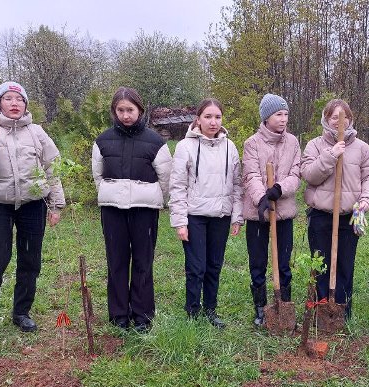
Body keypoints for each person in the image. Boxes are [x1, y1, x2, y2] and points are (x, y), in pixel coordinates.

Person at [0, 81, 65, 345]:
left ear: (26, 104)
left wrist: (56, 205)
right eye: (8, 99)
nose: (14, 103)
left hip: (32, 204)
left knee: (30, 261)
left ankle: (21, 312)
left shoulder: (37, 132)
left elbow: (53, 168)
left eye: (19, 99)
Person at [92, 87, 172, 333]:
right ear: (114, 112)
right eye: (121, 110)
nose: (126, 115)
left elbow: (166, 178)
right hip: (113, 211)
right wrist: (111, 196)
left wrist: (155, 200)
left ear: (140, 110)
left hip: (144, 211)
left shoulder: (156, 142)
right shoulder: (102, 141)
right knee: (116, 262)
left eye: (130, 110)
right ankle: (118, 316)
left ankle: (142, 316)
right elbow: (98, 175)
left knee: (142, 262)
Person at [301, 99, 369, 319]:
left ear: (351, 119)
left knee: (345, 264)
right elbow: (309, 175)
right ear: (326, 119)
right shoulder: (315, 145)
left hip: (348, 217)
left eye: (344, 117)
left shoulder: (362, 148)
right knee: (320, 263)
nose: (339, 122)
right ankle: (321, 309)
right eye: (335, 117)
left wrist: (367, 199)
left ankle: (342, 310)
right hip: (321, 217)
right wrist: (331, 154)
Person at [169, 98, 243, 328]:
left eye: (217, 117)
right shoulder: (185, 147)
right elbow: (177, 185)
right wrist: (180, 221)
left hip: (220, 216)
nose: (213, 122)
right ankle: (192, 310)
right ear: (198, 119)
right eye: (208, 117)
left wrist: (236, 216)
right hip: (195, 216)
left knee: (214, 265)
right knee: (196, 266)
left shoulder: (231, 147)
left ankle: (210, 309)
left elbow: (238, 185)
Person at [242, 94, 302, 327]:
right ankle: (260, 308)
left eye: (286, 114)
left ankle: (283, 305)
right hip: (258, 214)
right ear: (267, 117)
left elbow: (295, 173)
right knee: (258, 262)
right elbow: (250, 174)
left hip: (283, 211)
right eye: (279, 114)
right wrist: (262, 198)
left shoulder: (293, 142)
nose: (283, 119)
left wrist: (278, 188)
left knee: (284, 261)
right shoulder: (252, 143)